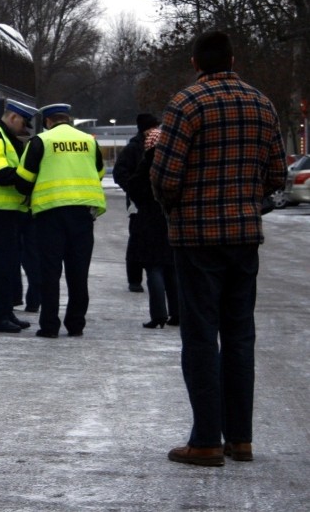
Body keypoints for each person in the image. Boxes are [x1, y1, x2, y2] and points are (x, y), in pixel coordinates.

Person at [150, 30, 287, 466]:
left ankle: (206, 439)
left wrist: (175, 206)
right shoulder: (262, 104)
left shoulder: (186, 104)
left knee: (200, 336)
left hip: (196, 239)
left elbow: (166, 177)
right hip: (244, 238)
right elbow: (277, 176)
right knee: (240, 335)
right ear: (232, 59)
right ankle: (241, 439)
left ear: (195, 62)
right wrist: (247, 202)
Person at [15, 104, 106, 338]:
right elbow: (99, 173)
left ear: (47, 122)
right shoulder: (88, 141)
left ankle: (49, 326)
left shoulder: (40, 142)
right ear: (69, 119)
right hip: (83, 214)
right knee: (78, 274)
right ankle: (76, 325)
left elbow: (24, 180)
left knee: (50, 273)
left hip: (50, 214)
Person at [0, 99, 38, 333]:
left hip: (8, 212)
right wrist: (28, 178)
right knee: (0, 267)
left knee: (8, 266)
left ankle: (6, 312)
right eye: (24, 124)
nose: (25, 130)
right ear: (13, 117)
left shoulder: (7, 138)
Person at [126, 125, 180, 328]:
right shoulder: (174, 162)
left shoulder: (147, 163)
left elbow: (133, 187)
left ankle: (158, 314)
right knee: (172, 270)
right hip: (171, 221)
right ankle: (177, 313)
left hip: (148, 222)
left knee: (153, 269)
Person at [113, 113, 160, 293]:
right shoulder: (134, 148)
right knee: (137, 240)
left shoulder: (151, 145)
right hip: (138, 203)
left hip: (152, 202)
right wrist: (133, 189)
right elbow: (120, 173)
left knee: (147, 240)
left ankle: (155, 277)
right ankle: (135, 279)